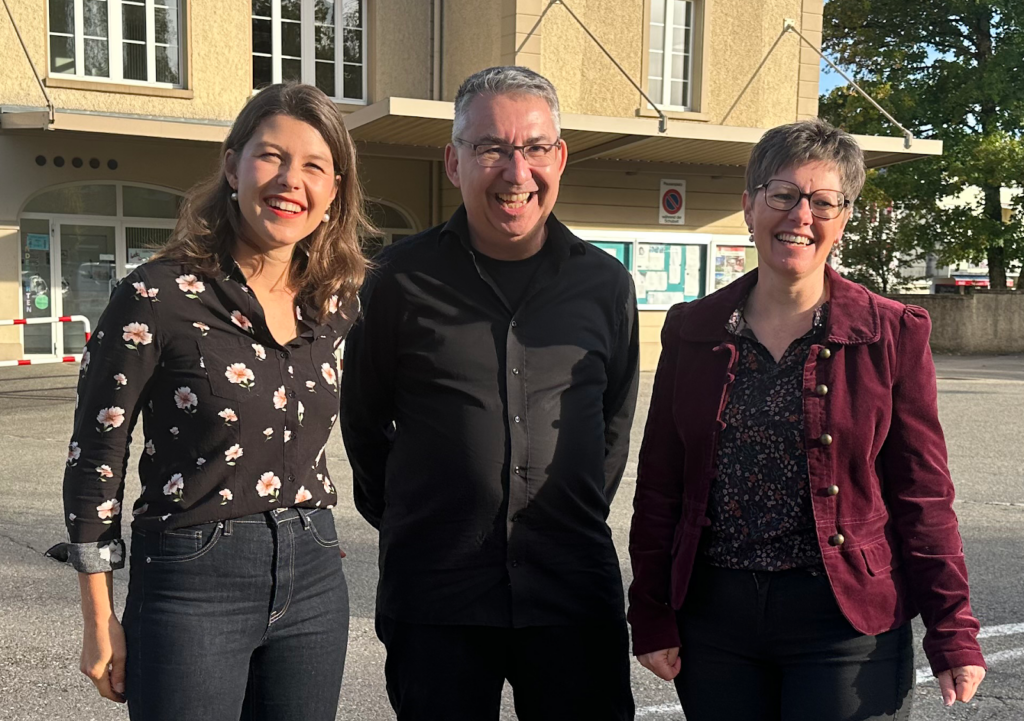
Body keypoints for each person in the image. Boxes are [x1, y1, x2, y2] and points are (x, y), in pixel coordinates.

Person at [627, 118, 986, 720]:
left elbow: (923, 494)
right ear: (749, 206)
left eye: (824, 202)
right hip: (715, 623)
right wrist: (651, 611)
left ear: (844, 219)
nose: (801, 216)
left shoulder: (890, 333)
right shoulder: (692, 330)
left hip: (845, 623)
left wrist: (953, 627)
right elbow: (661, 485)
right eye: (783, 195)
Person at [52, 82, 368, 720]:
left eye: (313, 166)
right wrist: (98, 618)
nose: (290, 181)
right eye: (270, 156)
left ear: (335, 191)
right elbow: (96, 457)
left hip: (314, 569)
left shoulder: (336, 301)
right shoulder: (156, 294)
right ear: (232, 166)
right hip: (193, 576)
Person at [340, 66, 639, 720]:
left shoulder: (606, 285)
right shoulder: (395, 280)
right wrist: (415, 519)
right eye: (492, 148)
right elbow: (362, 422)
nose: (516, 170)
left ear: (559, 157)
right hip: (437, 597)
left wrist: (567, 508)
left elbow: (612, 426)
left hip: (571, 597)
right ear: (453, 161)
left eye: (534, 147)